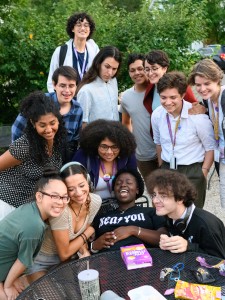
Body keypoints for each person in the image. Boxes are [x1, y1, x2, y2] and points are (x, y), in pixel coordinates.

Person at [26, 162, 102, 282]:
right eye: (71, 189)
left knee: (77, 293)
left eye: (82, 185)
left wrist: (85, 250)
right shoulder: (61, 211)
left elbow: (77, 238)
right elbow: (64, 253)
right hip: (41, 261)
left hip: (68, 259)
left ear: (88, 180)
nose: (78, 192)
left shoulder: (95, 201)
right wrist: (90, 231)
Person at [0, 167, 69, 300]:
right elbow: (23, 260)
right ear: (39, 196)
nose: (60, 202)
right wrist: (8, 285)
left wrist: (12, 278)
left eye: (64, 197)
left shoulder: (30, 208)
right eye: (54, 196)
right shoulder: (34, 225)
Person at [151, 71, 215, 208]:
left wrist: (203, 172)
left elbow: (210, 148)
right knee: (167, 211)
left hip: (191, 171)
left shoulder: (197, 117)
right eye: (163, 97)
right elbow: (158, 143)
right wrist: (162, 167)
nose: (168, 102)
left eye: (173, 97)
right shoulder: (157, 115)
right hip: (167, 168)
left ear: (183, 95)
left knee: (191, 213)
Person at [0, 91, 66, 220]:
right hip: (6, 202)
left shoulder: (58, 142)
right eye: (42, 125)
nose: (48, 129)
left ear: (58, 119)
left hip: (30, 208)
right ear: (33, 124)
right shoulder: (25, 146)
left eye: (52, 123)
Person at [146, 169, 225, 258]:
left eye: (163, 196)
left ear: (180, 198)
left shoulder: (206, 225)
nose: (155, 200)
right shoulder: (169, 217)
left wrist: (189, 246)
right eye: (154, 195)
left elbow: (219, 262)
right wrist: (168, 244)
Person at [12, 66, 83, 162]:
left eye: (71, 86)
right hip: (33, 157)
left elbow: (74, 142)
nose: (67, 91)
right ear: (54, 85)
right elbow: (17, 130)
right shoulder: (39, 102)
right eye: (62, 85)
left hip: (61, 161)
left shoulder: (78, 110)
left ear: (76, 86)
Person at [90, 168, 167, 253]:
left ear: (137, 190)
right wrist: (94, 246)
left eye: (129, 182)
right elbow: (88, 244)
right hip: (108, 261)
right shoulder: (101, 217)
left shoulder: (151, 212)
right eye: (118, 183)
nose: (123, 185)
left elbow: (164, 238)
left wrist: (133, 230)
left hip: (144, 259)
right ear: (114, 191)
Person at [188, 59, 225, 208]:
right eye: (198, 85)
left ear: (217, 80)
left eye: (207, 83)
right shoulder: (209, 102)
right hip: (221, 160)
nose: (202, 89)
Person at [72, 119, 137, 202]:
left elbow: (135, 185)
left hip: (120, 207)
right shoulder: (84, 156)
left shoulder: (127, 156)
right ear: (95, 145)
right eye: (104, 147)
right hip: (91, 208)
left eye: (114, 147)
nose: (109, 152)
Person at [121, 54, 158, 182]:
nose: (137, 73)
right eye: (132, 70)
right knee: (155, 193)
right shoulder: (126, 97)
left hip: (164, 152)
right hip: (143, 156)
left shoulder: (159, 89)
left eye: (140, 68)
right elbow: (126, 123)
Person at [47, 12, 99, 92]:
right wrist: (56, 102)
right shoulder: (61, 51)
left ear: (89, 29)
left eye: (86, 25)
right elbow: (51, 81)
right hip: (67, 99)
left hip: (88, 99)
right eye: (78, 25)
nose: (82, 28)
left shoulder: (94, 50)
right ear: (72, 28)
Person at [76, 46, 122, 127]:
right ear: (98, 63)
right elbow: (82, 124)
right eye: (107, 66)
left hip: (115, 136)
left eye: (114, 69)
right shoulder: (86, 91)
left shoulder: (113, 81)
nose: (110, 73)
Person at [144, 50, 197, 114]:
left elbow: (195, 106)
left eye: (154, 68)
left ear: (164, 68)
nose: (150, 73)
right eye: (147, 69)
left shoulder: (178, 84)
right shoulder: (150, 88)